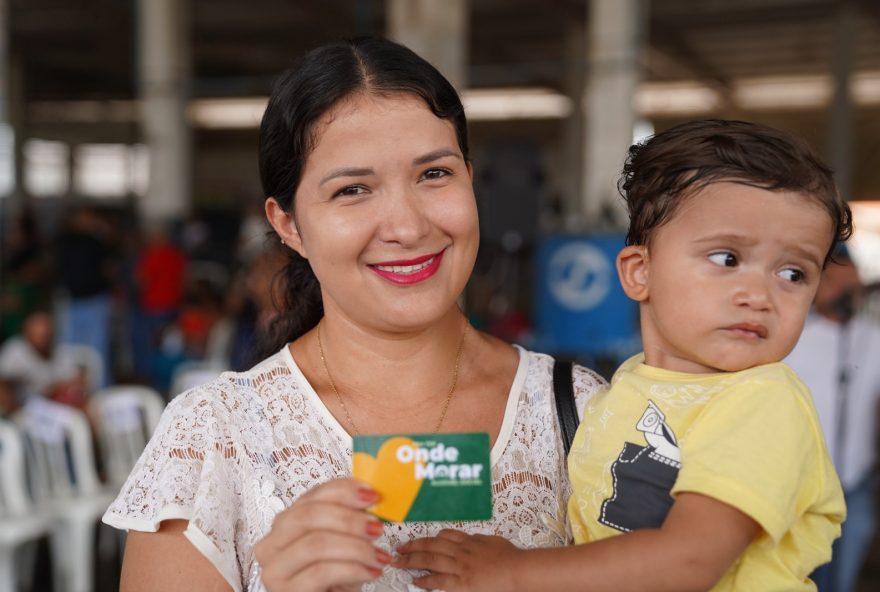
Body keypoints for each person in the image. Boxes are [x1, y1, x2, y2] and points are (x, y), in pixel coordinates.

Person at [101, 37, 607, 592]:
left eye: (434, 174)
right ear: (289, 225)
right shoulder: (213, 438)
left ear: (469, 175)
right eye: (353, 190)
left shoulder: (584, 412)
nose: (408, 227)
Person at [396, 119, 850, 591]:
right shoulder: (627, 386)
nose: (760, 294)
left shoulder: (762, 401)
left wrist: (511, 571)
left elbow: (689, 561)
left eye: (794, 273)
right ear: (639, 273)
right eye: (727, 259)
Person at [786, 247, 880, 592]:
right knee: (801, 571)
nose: (845, 290)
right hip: (802, 482)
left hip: (855, 482)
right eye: (835, 281)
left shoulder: (874, 339)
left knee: (844, 573)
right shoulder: (793, 338)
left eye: (852, 282)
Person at [0, 309, 87, 408]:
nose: (43, 331)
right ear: (26, 330)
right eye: (38, 326)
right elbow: (3, 385)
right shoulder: (15, 351)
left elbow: (79, 379)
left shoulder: (59, 350)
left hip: (56, 406)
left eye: (46, 326)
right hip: (23, 409)